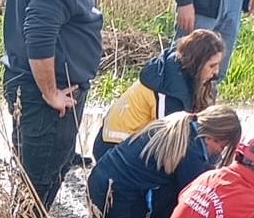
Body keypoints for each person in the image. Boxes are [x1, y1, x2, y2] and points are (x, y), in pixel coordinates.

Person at [3, 0, 124, 218]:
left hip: (31, 84)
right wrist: (50, 92)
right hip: (45, 99)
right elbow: (39, 36)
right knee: (39, 185)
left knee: (30, 180)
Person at [88, 105, 242, 218]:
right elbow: (198, 196)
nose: (220, 152)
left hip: (98, 191)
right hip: (116, 208)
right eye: (222, 147)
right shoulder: (191, 150)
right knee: (187, 194)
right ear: (210, 138)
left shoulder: (180, 122)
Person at [92, 29, 224, 162]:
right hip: (113, 150)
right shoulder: (168, 90)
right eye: (212, 66)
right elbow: (170, 141)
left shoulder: (176, 73)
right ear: (196, 63)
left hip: (127, 144)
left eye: (218, 65)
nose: (216, 72)